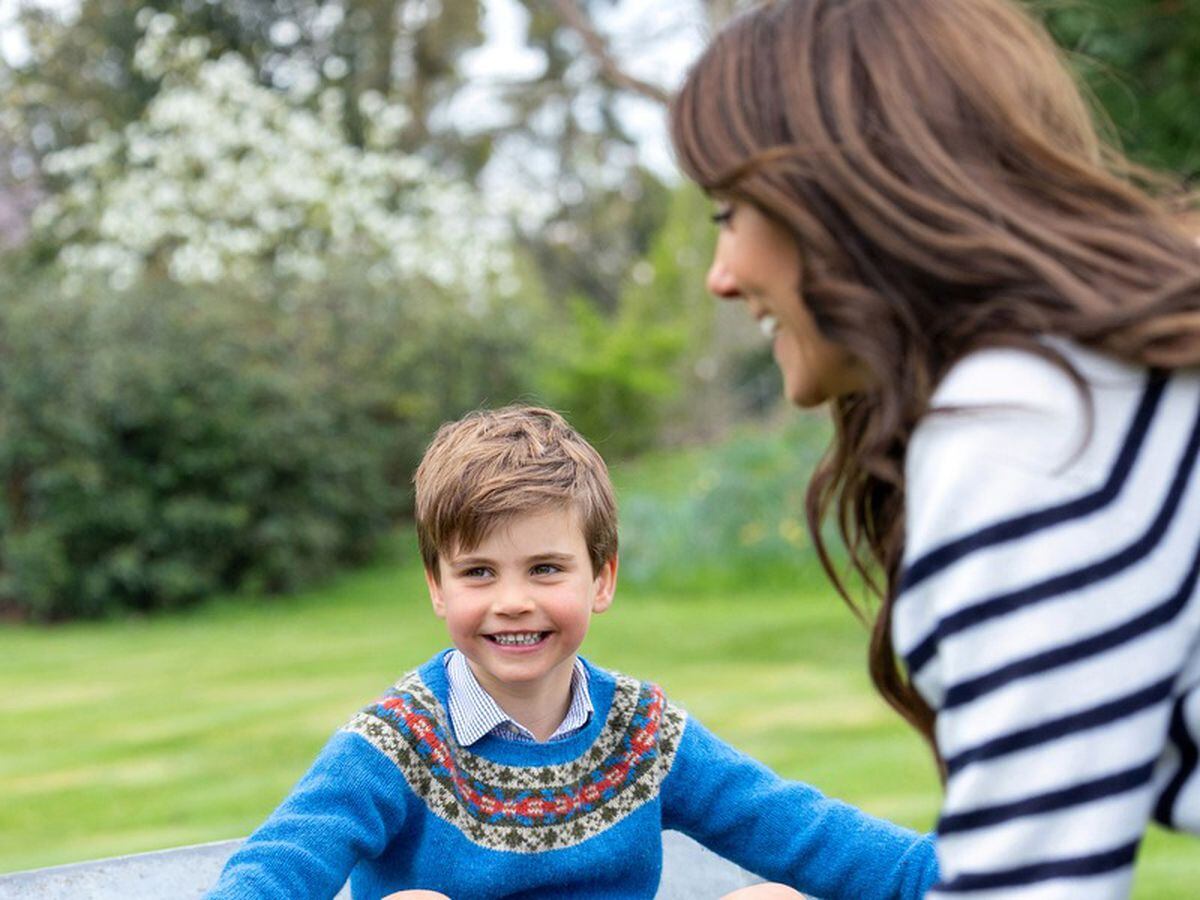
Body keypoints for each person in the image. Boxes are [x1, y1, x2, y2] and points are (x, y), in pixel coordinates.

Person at [670, 0, 1200, 897]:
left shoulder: (1026, 437)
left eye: (730, 213)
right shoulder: (1107, 385)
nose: (722, 276)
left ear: (835, 198)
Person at [205, 405, 939, 899]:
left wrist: (973, 876)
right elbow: (279, 863)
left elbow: (801, 831)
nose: (513, 601)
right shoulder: (396, 742)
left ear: (602, 579)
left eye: (546, 569)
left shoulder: (644, 732)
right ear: (437, 586)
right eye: (479, 573)